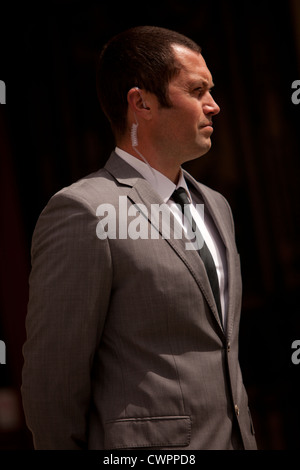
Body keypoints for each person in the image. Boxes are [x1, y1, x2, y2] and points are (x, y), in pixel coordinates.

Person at [21, 26, 257, 450]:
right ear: (141, 102)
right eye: (197, 90)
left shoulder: (216, 206)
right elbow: (52, 382)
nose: (214, 105)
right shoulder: (83, 210)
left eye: (211, 89)